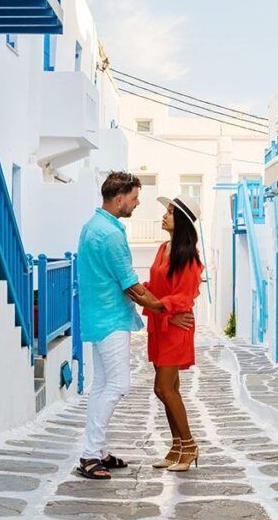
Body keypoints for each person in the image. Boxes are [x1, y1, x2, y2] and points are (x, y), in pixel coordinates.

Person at [76, 172, 192, 480]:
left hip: (99, 317)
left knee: (102, 385)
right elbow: (132, 287)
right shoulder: (110, 235)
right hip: (110, 320)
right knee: (117, 385)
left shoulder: (93, 226)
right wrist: (165, 310)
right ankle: (90, 455)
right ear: (119, 199)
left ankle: (97, 450)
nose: (137, 203)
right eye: (134, 198)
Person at [130, 195, 203, 472]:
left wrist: (157, 306)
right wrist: (138, 290)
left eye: (170, 212)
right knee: (170, 389)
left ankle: (190, 445)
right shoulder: (163, 248)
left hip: (175, 326)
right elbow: (157, 284)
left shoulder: (187, 256)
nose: (164, 215)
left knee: (162, 388)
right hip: (161, 323)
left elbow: (185, 295)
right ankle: (177, 448)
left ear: (181, 221)